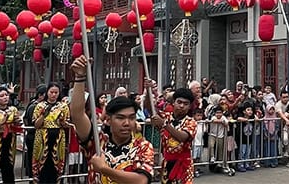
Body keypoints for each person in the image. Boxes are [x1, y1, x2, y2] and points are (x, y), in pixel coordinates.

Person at [69, 56, 154, 184]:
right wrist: (80, 77)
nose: (127, 123)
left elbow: (141, 180)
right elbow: (77, 115)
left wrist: (104, 169)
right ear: (108, 120)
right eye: (120, 118)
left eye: (131, 118)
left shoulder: (142, 146)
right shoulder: (98, 143)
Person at [152, 87, 197, 184]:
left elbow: (182, 137)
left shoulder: (191, 122)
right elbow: (150, 109)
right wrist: (148, 90)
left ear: (189, 106)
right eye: (179, 102)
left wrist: (164, 124)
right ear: (173, 102)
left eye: (186, 104)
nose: (181, 106)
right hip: (167, 163)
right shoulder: (165, 116)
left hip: (184, 165)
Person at [32, 82, 70, 184]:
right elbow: (36, 125)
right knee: (42, 162)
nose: (53, 95)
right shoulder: (40, 106)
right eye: (51, 92)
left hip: (58, 136)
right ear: (47, 92)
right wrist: (43, 115)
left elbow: (66, 125)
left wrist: (62, 122)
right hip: (42, 136)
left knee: (56, 163)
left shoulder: (63, 106)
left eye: (56, 92)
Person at [23, 85, 47, 178]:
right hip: (33, 135)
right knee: (34, 160)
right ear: (40, 95)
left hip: (39, 136)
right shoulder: (34, 106)